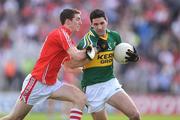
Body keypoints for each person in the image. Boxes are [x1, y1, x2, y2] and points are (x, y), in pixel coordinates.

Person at [0, 8, 95, 120]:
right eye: (77, 19)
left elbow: (70, 65)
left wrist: (89, 64)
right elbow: (77, 55)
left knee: (80, 98)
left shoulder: (67, 39)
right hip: (37, 82)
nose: (81, 22)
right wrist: (92, 50)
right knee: (15, 117)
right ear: (68, 21)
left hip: (51, 84)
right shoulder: (61, 34)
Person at [76, 9, 141, 120]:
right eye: (96, 24)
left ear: (107, 21)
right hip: (92, 88)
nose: (100, 27)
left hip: (110, 82)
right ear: (91, 24)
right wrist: (94, 50)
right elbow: (74, 63)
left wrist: (132, 58)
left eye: (102, 23)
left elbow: (121, 55)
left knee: (135, 115)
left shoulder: (115, 36)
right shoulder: (85, 42)